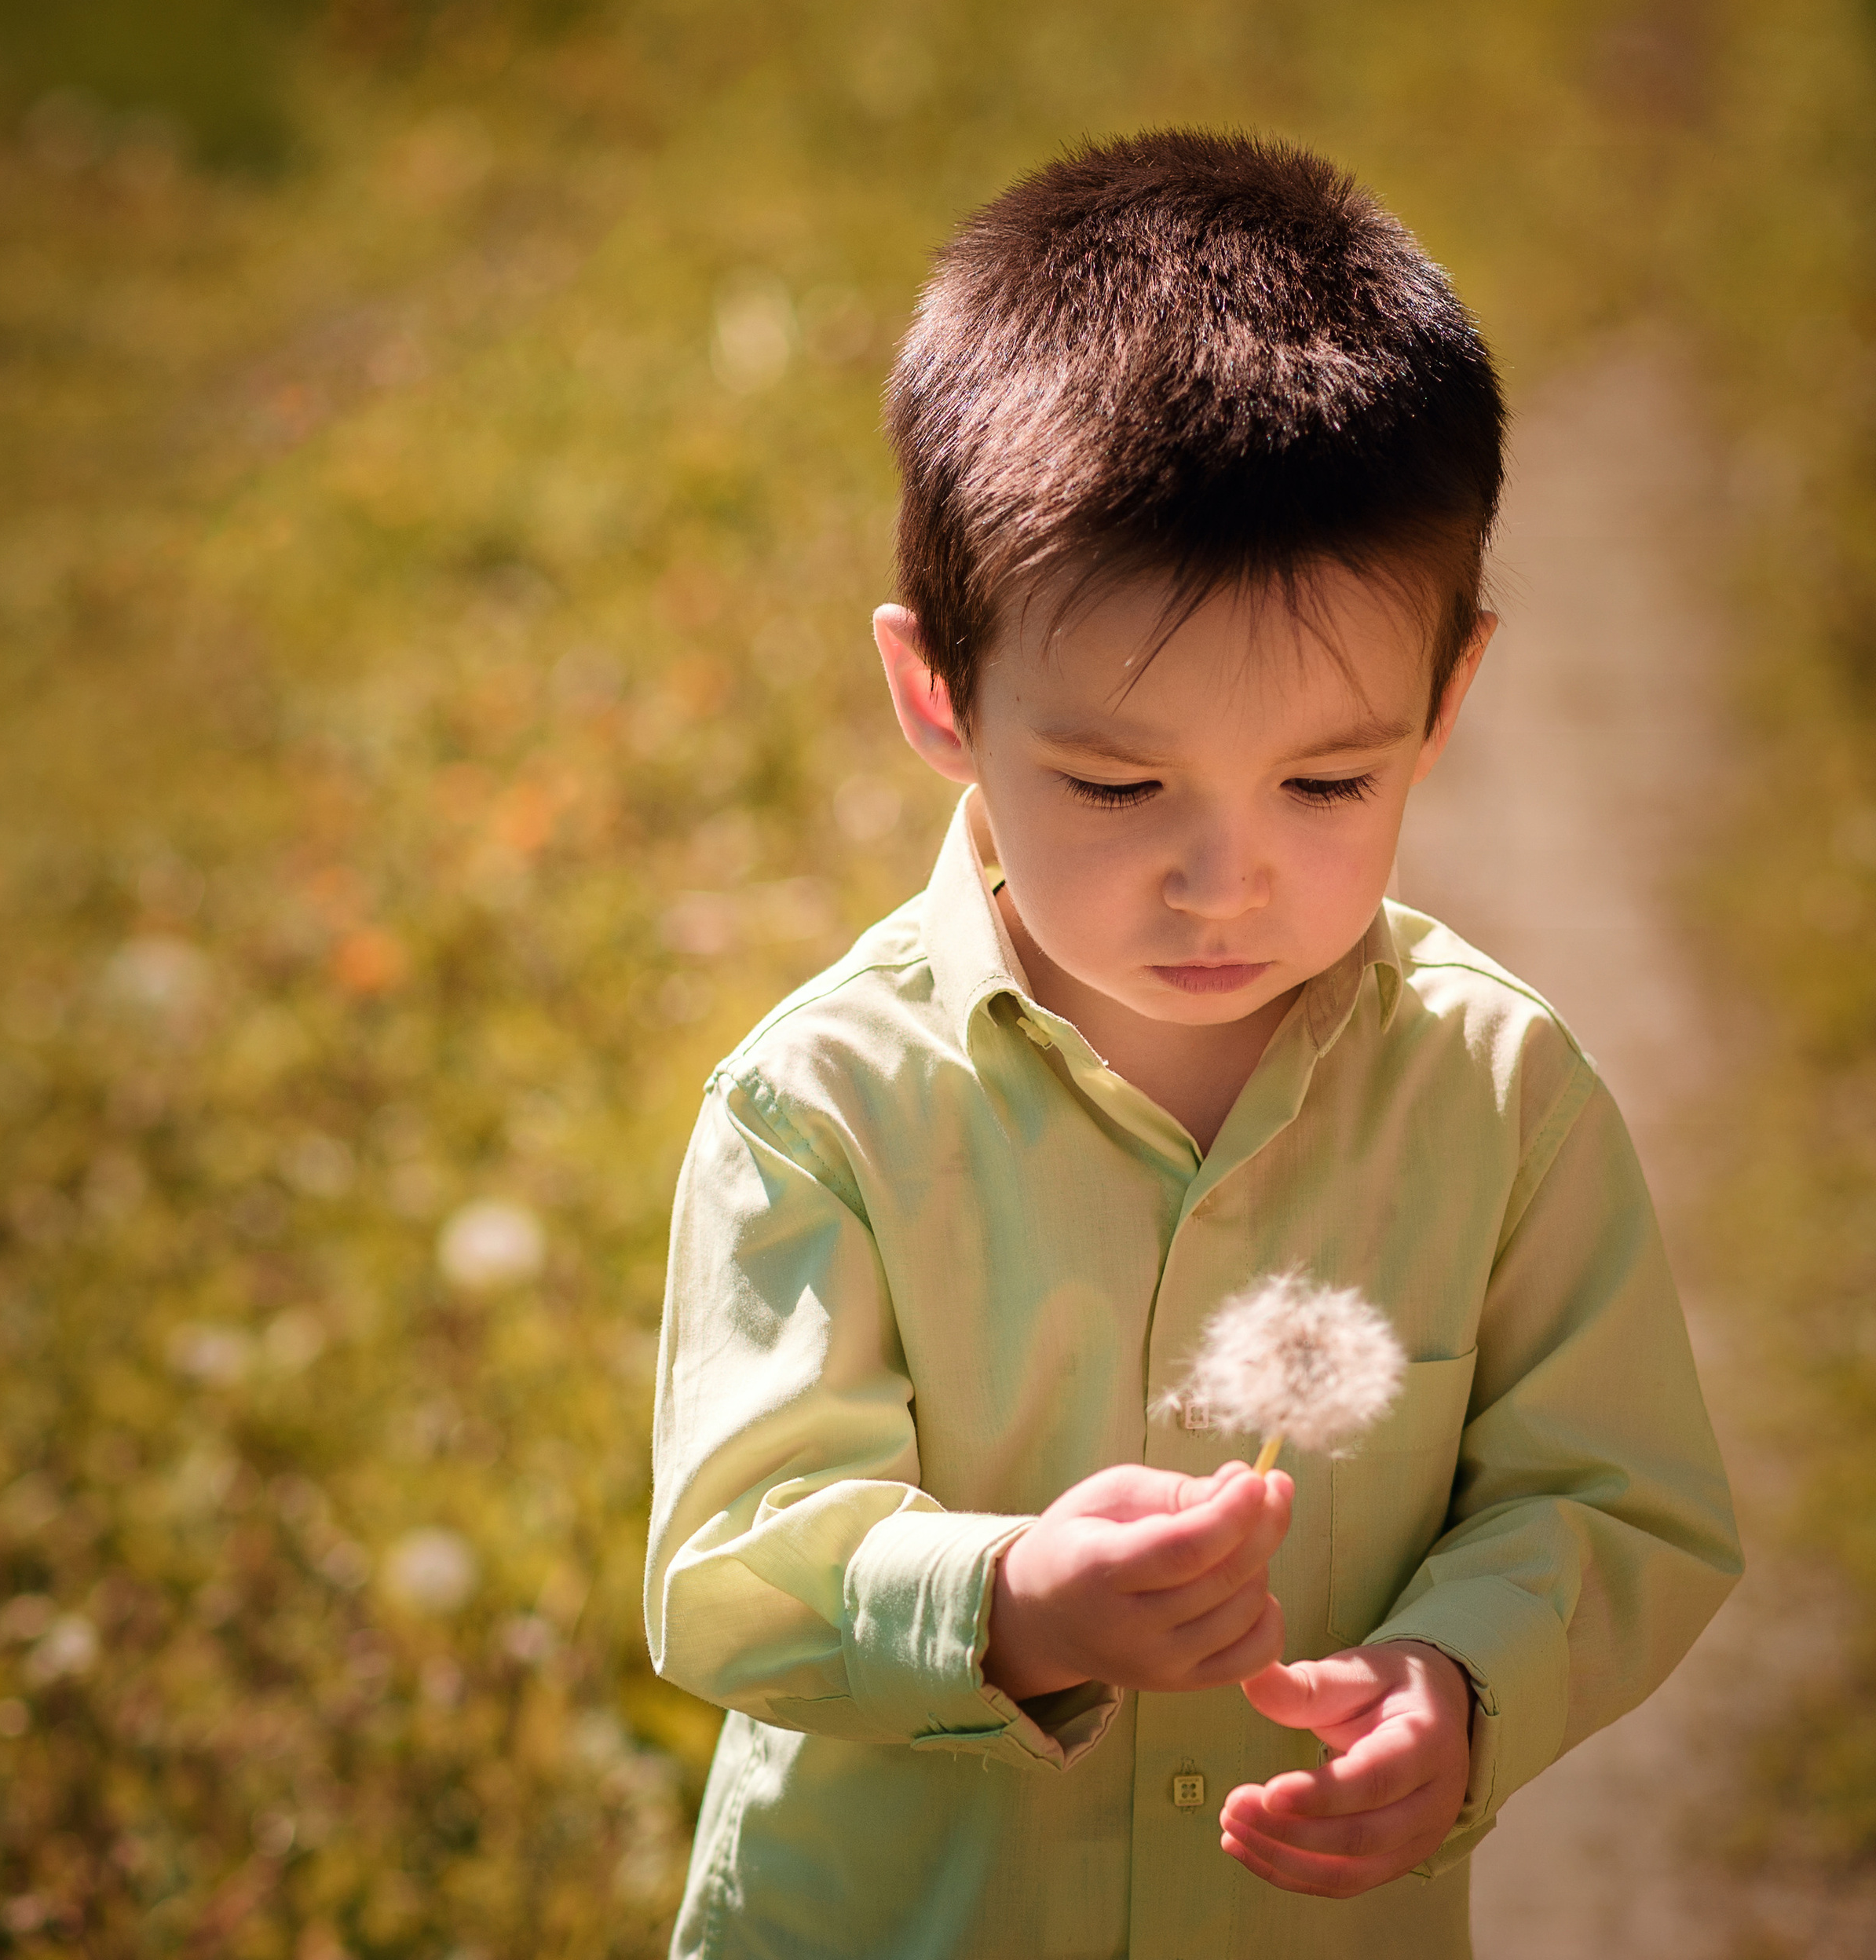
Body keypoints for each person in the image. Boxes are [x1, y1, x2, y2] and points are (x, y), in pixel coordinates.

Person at [643, 130, 1741, 1959]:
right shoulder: (822, 1103)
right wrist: (1001, 1596)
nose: (1220, 878)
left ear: (1445, 695)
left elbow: (1607, 1497)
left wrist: (1455, 1680)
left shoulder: (1499, 1097)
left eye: (1326, 778)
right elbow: (725, 1562)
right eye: (1113, 781)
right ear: (940, 697)